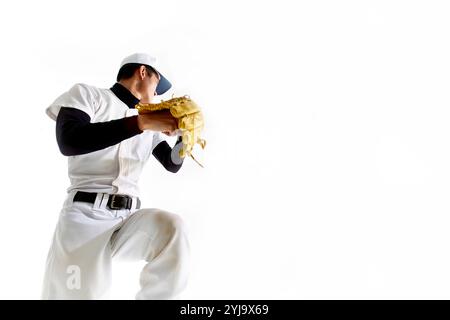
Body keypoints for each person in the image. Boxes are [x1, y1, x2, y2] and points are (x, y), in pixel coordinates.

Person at [41, 53, 190, 300]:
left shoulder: (146, 122)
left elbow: (171, 162)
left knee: (171, 228)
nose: (158, 93)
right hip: (84, 218)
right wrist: (142, 123)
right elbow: (69, 140)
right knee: (77, 294)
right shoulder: (89, 95)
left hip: (127, 221)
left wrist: (186, 135)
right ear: (143, 72)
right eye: (157, 84)